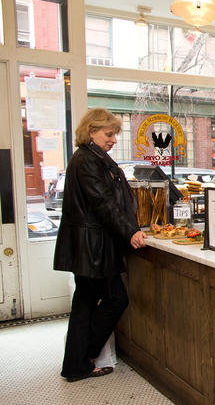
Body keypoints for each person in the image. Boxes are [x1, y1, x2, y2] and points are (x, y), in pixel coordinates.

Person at [54, 108, 147, 382]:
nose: (113, 140)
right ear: (92, 131)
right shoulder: (87, 161)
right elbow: (104, 202)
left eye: (114, 134)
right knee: (116, 300)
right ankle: (84, 357)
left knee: (84, 303)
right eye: (109, 134)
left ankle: (76, 364)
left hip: (86, 245)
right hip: (92, 246)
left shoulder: (88, 157)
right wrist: (130, 230)